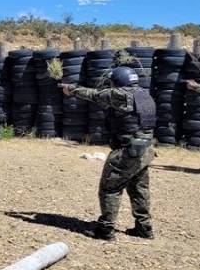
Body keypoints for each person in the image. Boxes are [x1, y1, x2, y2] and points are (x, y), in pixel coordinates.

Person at [61, 66, 157, 241]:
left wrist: (72, 89)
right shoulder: (144, 95)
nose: (111, 85)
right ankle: (144, 228)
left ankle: (105, 230)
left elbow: (95, 95)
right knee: (139, 189)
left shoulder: (121, 95)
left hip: (127, 151)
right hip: (145, 150)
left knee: (110, 189)